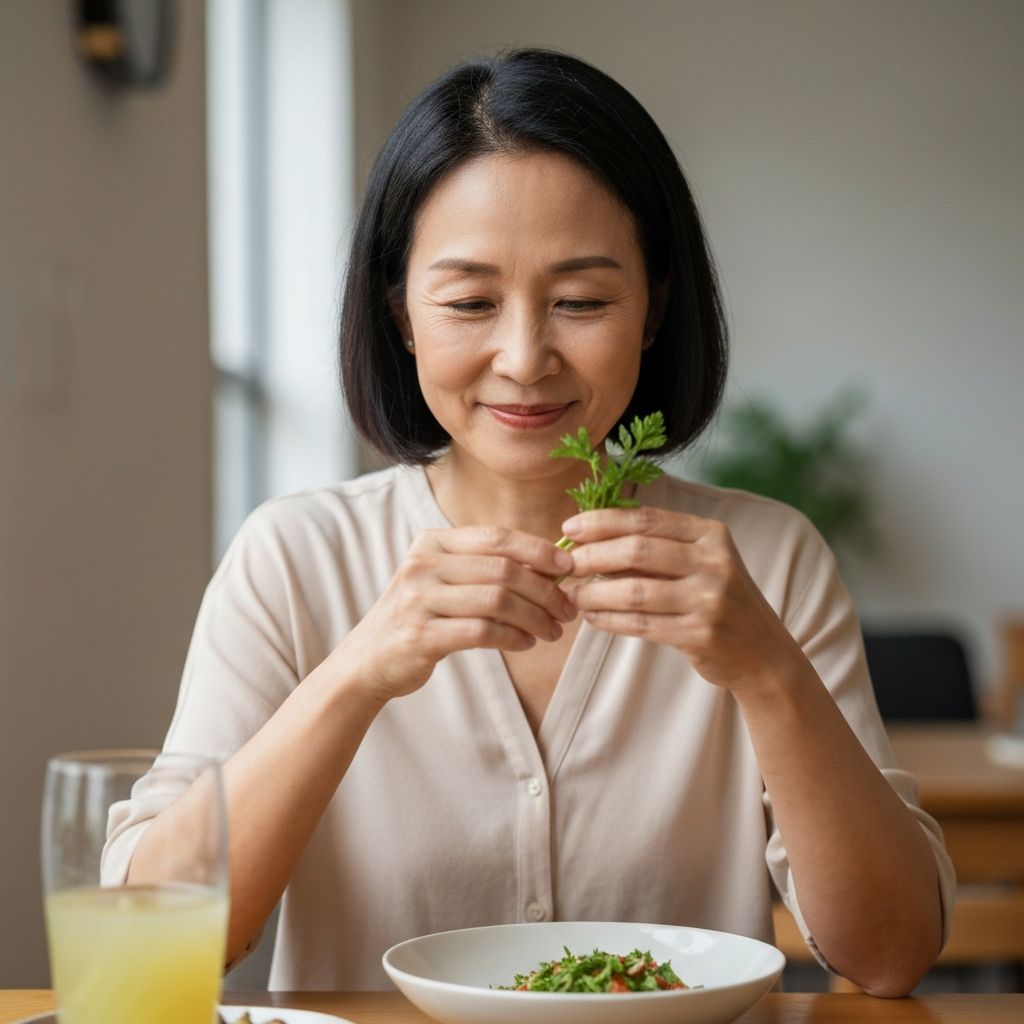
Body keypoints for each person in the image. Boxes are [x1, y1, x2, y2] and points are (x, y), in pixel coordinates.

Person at [107, 48, 953, 994]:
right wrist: (355, 673)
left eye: (581, 301)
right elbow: (151, 940)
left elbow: (890, 955)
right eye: (470, 302)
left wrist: (768, 669)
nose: (523, 358)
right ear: (402, 316)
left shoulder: (767, 560)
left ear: (654, 307)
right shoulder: (295, 558)